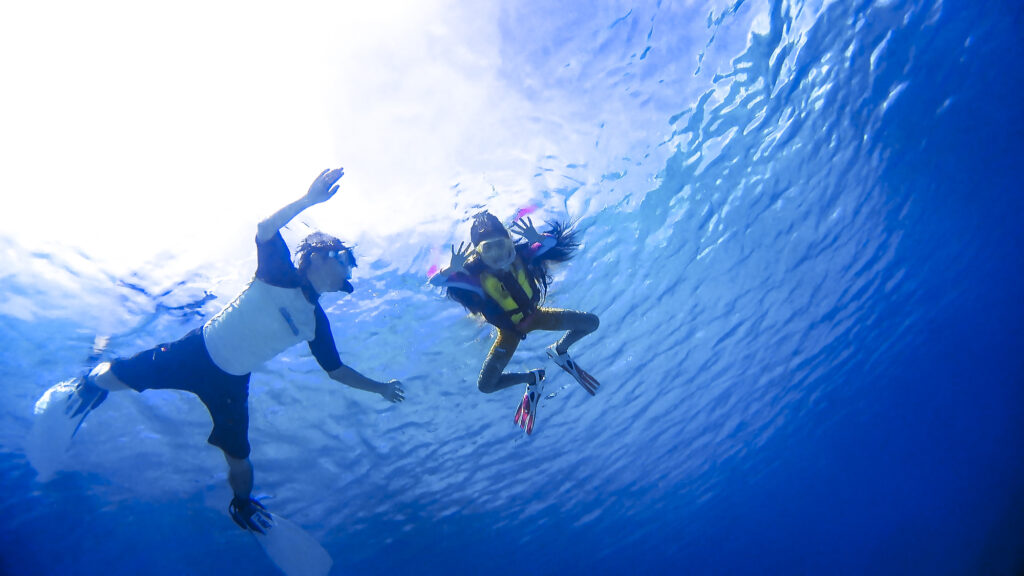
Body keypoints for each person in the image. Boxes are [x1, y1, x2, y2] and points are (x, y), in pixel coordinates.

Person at [58, 168, 405, 533]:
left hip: (231, 384)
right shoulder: (279, 272)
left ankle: (242, 505)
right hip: (196, 351)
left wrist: (380, 387)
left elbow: (336, 370)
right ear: (319, 256)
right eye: (346, 260)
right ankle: (89, 383)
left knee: (239, 457)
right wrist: (309, 200)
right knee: (120, 375)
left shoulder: (316, 322)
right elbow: (265, 229)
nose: (350, 270)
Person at [429, 210, 600, 434]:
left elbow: (551, 243)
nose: (498, 254)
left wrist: (538, 238)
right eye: (488, 249)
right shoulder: (474, 278)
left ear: (510, 241)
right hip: (508, 332)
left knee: (591, 323)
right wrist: (451, 269)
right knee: (486, 385)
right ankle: (533, 378)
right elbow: (437, 281)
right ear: (478, 254)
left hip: (539, 316)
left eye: (501, 244)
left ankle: (559, 350)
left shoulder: (525, 255)